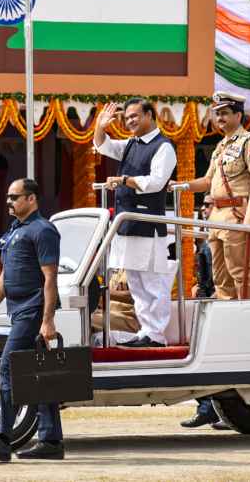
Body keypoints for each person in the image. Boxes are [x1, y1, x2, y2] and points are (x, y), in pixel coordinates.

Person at [0, 178, 63, 461]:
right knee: (38, 375)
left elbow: (50, 279)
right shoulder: (16, 230)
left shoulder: (43, 230)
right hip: (18, 310)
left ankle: (2, 440)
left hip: (33, 311)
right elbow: (5, 277)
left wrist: (47, 321)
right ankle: (51, 442)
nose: (9, 202)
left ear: (31, 199)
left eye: (14, 197)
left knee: (8, 367)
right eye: (8, 197)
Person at [94, 98, 177, 348]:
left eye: (135, 116)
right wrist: (100, 125)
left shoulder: (164, 147)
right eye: (127, 117)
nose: (130, 121)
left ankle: (157, 335)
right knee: (136, 283)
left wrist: (125, 180)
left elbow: (156, 182)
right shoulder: (131, 144)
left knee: (152, 282)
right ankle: (146, 331)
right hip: (127, 225)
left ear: (150, 115)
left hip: (147, 223)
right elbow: (103, 146)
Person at [172, 91, 250, 300]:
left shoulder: (249, 142)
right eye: (217, 113)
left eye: (224, 113)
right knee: (220, 277)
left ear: (238, 116)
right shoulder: (220, 146)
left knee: (240, 273)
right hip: (216, 216)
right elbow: (207, 181)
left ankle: (247, 320)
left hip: (236, 214)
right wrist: (181, 185)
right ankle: (230, 321)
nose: (220, 118)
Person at [91, 269, 140, 345]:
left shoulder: (139, 265)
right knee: (83, 316)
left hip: (133, 318)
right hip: (113, 310)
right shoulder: (119, 265)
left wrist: (100, 292)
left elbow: (139, 295)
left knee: (87, 321)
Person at [195, 196, 215, 298]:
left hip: (218, 293)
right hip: (205, 292)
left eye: (207, 205)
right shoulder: (202, 237)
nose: (202, 208)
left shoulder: (225, 233)